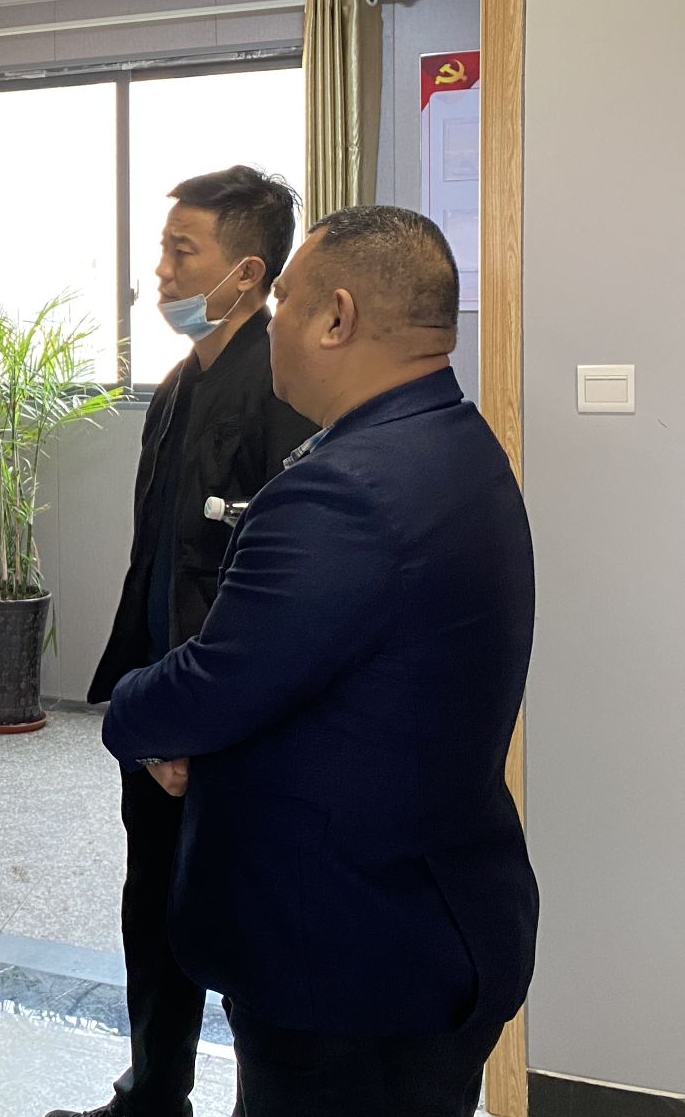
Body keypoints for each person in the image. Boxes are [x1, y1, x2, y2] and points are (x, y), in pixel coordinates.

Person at [103, 205, 537, 1117]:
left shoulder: (344, 492)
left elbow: (217, 681)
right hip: (435, 914)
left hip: (349, 957)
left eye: (286, 303)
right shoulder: (457, 442)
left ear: (336, 318)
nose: (271, 328)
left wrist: (135, 712)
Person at [52, 168, 315, 1117]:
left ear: (248, 273)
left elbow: (270, 588)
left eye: (181, 251)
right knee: (152, 911)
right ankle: (154, 1092)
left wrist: (203, 726)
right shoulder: (178, 385)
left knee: (237, 929)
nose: (159, 271)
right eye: (163, 249)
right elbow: (159, 562)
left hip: (227, 727)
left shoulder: (283, 389)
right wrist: (147, 710)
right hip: (160, 703)